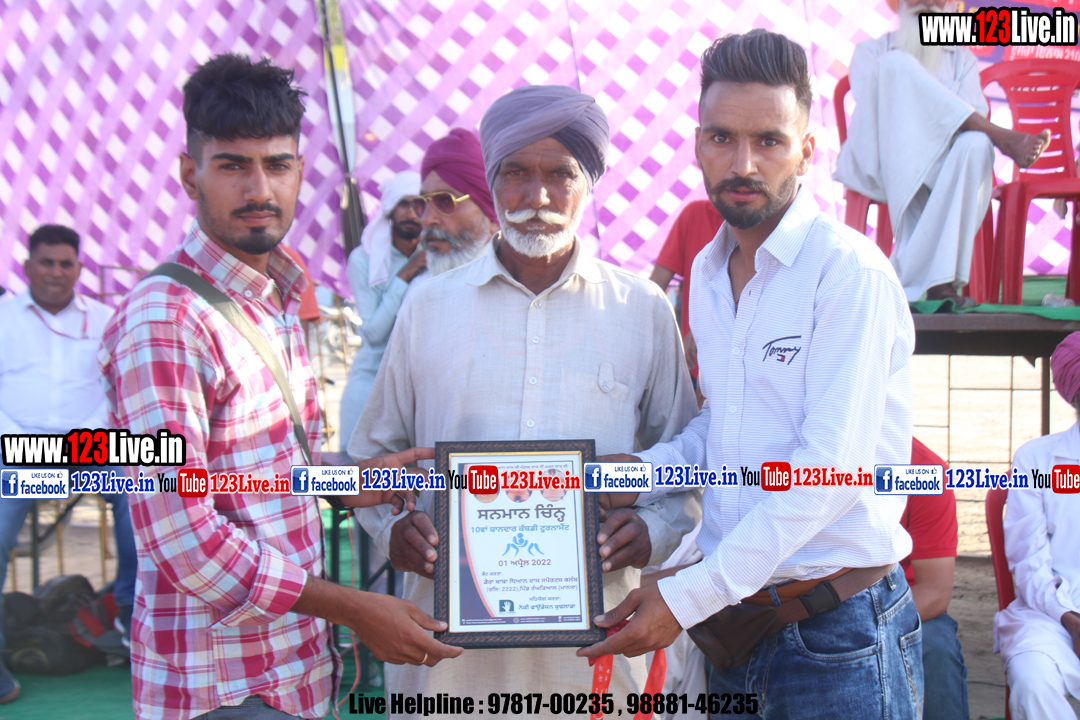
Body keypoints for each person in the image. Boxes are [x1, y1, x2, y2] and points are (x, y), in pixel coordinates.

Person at [99, 54, 461, 720]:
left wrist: (347, 481)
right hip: (222, 687)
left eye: (278, 164)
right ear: (190, 174)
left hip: (290, 672)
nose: (259, 188)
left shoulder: (277, 295)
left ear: (300, 171)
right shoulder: (165, 320)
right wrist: (354, 608)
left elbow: (259, 474)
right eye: (233, 166)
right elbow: (183, 539)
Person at [578, 30, 921, 720]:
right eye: (722, 138)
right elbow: (727, 427)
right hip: (737, 626)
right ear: (697, 144)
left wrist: (687, 596)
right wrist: (641, 472)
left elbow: (829, 474)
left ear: (806, 151)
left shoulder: (847, 274)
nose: (743, 163)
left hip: (837, 634)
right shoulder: (707, 274)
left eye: (768, 141)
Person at [349, 84, 701, 717]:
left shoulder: (640, 309)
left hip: (597, 657)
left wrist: (652, 529)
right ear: (492, 181)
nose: (537, 196)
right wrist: (393, 528)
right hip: (447, 663)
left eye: (560, 174)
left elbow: (688, 466)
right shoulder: (427, 308)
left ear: (589, 183)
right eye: (515, 172)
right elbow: (371, 456)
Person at [834, 0, 1049, 306]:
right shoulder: (871, 52)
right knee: (895, 65)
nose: (927, 1)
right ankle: (1001, 137)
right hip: (883, 163)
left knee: (977, 145)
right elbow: (879, 111)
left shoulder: (961, 59)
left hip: (942, 169)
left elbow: (972, 117)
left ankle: (937, 284)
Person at [0, 224, 137, 704]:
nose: (56, 272)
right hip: (14, 449)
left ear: (79, 268)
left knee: (146, 492)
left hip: (91, 447)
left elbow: (117, 390)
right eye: (46, 262)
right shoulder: (3, 318)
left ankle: (131, 617)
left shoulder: (105, 319)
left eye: (65, 263)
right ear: (27, 266)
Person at [996, 331, 1080, 720]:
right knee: (1033, 680)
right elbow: (1028, 561)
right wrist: (1069, 619)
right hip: (1052, 615)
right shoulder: (1037, 461)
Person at [339, 171, 423, 450]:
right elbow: (374, 334)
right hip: (370, 386)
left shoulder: (436, 254)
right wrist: (406, 274)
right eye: (403, 203)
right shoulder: (365, 258)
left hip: (419, 391)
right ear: (389, 209)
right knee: (362, 471)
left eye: (419, 204)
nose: (411, 213)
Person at [905, 438, 969, 720]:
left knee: (934, 646)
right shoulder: (782, 460)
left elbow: (933, 593)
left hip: (897, 604)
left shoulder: (921, 470)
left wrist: (857, 627)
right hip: (797, 602)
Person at [649, 199, 724, 382]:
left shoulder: (769, 224)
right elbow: (652, 291)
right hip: (692, 367)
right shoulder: (695, 214)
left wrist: (705, 327)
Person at [414, 127, 499, 276]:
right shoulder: (420, 286)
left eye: (445, 201)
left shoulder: (523, 284)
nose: (426, 220)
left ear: (491, 217)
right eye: (422, 203)